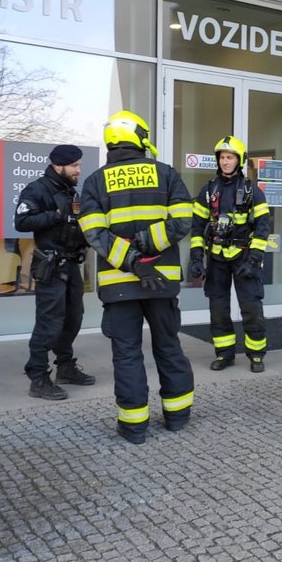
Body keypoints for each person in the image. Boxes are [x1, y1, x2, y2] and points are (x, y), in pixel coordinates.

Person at [79, 110, 195, 444]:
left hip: (120, 286)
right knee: (168, 346)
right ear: (139, 137)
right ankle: (177, 416)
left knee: (127, 353)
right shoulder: (167, 174)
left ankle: (134, 426)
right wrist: (146, 251)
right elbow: (181, 222)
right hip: (162, 280)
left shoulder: (95, 181)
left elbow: (95, 234)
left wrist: (131, 259)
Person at [14, 144, 94, 400]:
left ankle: (66, 368)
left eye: (79, 165)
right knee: (49, 324)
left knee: (73, 319)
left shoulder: (71, 192)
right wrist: (56, 215)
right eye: (74, 166)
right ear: (58, 165)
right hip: (51, 265)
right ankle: (38, 377)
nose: (78, 170)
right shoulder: (38, 188)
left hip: (71, 265)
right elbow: (22, 222)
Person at [188, 136, 271, 373]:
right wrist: (196, 257)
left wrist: (254, 259)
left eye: (230, 157)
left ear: (239, 160)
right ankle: (224, 354)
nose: (225, 162)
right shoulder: (208, 191)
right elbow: (197, 227)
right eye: (222, 157)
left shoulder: (252, 191)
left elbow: (263, 227)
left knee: (251, 307)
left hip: (245, 258)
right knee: (218, 308)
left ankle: (256, 354)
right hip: (216, 259)